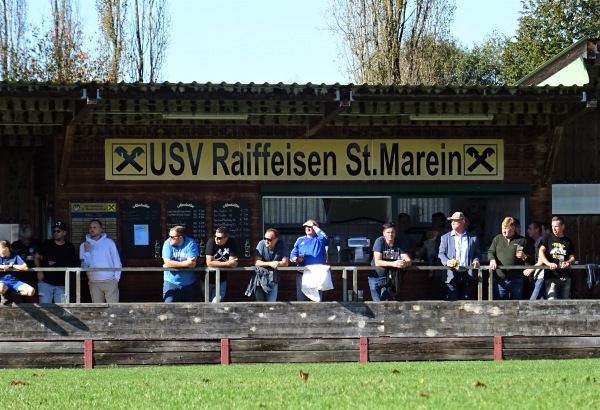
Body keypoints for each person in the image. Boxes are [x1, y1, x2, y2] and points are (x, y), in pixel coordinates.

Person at [438, 212, 481, 301]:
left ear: (463, 222)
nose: (452, 223)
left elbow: (477, 253)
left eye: (455, 221)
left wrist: (476, 260)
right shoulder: (445, 237)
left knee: (467, 301)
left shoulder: (473, 237)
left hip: (468, 274)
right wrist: (446, 261)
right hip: (452, 274)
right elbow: (441, 253)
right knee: (452, 301)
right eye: (451, 221)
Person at [34, 221, 80, 303]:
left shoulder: (69, 247)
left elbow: (73, 263)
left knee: (60, 310)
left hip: (62, 284)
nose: (56, 233)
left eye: (58, 231)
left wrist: (57, 264)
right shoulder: (46, 244)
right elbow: (36, 257)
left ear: (64, 232)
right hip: (45, 282)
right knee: (45, 309)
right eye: (54, 231)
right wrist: (39, 271)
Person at [488, 217, 532, 300]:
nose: (504, 231)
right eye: (502, 228)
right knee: (500, 305)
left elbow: (531, 258)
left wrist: (524, 256)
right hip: (500, 279)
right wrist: (492, 259)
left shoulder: (522, 240)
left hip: (516, 279)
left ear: (513, 228)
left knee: (516, 305)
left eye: (506, 228)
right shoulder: (497, 239)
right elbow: (490, 251)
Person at [79, 219, 122, 303]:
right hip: (94, 283)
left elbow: (117, 261)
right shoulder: (83, 245)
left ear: (100, 229)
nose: (92, 229)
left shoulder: (109, 243)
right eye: (90, 227)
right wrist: (87, 251)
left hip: (110, 281)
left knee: (114, 309)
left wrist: (116, 278)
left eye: (95, 227)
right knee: (98, 310)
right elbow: (84, 266)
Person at [369, 222, 412, 301]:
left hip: (389, 278)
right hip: (376, 277)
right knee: (376, 303)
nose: (390, 234)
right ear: (383, 233)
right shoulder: (379, 241)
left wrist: (404, 263)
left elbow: (408, 259)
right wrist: (394, 264)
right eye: (388, 232)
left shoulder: (399, 242)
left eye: (392, 232)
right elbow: (377, 262)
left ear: (395, 233)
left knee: (387, 303)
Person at [538, 215, 576, 300]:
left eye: (556, 226)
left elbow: (572, 257)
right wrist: (548, 263)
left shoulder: (568, 241)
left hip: (565, 277)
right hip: (551, 276)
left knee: (564, 304)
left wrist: (568, 262)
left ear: (563, 226)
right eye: (552, 226)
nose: (554, 229)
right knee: (552, 303)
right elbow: (540, 251)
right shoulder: (547, 238)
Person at [290, 219, 329, 301]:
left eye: (311, 226)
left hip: (316, 274)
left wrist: (313, 225)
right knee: (301, 301)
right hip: (302, 273)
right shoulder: (300, 240)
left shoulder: (319, 239)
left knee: (317, 301)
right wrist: (296, 259)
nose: (309, 227)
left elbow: (325, 238)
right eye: (307, 226)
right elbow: (292, 255)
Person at [247, 228, 289, 302]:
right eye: (265, 238)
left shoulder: (281, 244)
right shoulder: (261, 243)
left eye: (269, 239)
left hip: (273, 279)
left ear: (276, 239)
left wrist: (278, 263)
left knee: (271, 304)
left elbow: (285, 262)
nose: (266, 241)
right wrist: (271, 264)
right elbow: (257, 262)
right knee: (260, 305)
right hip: (259, 278)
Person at [162, 226, 199, 302]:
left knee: (186, 310)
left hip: (188, 283)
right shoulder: (167, 243)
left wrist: (171, 264)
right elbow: (167, 263)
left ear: (180, 238)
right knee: (168, 309)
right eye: (169, 236)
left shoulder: (190, 243)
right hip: (171, 281)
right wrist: (186, 263)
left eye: (172, 237)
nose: (169, 238)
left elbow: (192, 263)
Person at [5, 225, 40, 303]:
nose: (27, 242)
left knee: (31, 300)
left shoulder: (37, 244)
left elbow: (42, 257)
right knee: (17, 301)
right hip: (17, 277)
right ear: (21, 237)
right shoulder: (15, 245)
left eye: (28, 239)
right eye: (24, 239)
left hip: (32, 277)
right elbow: (8, 259)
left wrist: (36, 257)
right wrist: (19, 257)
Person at [204, 226, 238, 302]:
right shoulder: (211, 241)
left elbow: (233, 262)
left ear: (226, 238)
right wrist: (227, 263)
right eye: (215, 236)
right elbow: (209, 262)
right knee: (207, 304)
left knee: (216, 303)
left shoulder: (231, 242)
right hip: (206, 278)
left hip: (221, 279)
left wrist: (228, 263)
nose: (216, 239)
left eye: (219, 238)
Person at [0, 240, 35, 304]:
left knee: (31, 291)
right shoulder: (0, 257)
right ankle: (5, 294)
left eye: (0, 250)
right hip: (3, 281)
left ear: (6, 249)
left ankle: (14, 293)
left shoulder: (15, 256)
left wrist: (13, 265)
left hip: (15, 282)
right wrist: (2, 266)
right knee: (1, 289)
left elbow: (25, 267)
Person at [523, 221, 546, 300]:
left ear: (537, 230)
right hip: (537, 275)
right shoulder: (534, 243)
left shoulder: (542, 242)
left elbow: (542, 260)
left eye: (530, 228)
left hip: (543, 275)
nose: (528, 231)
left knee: (533, 301)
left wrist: (530, 269)